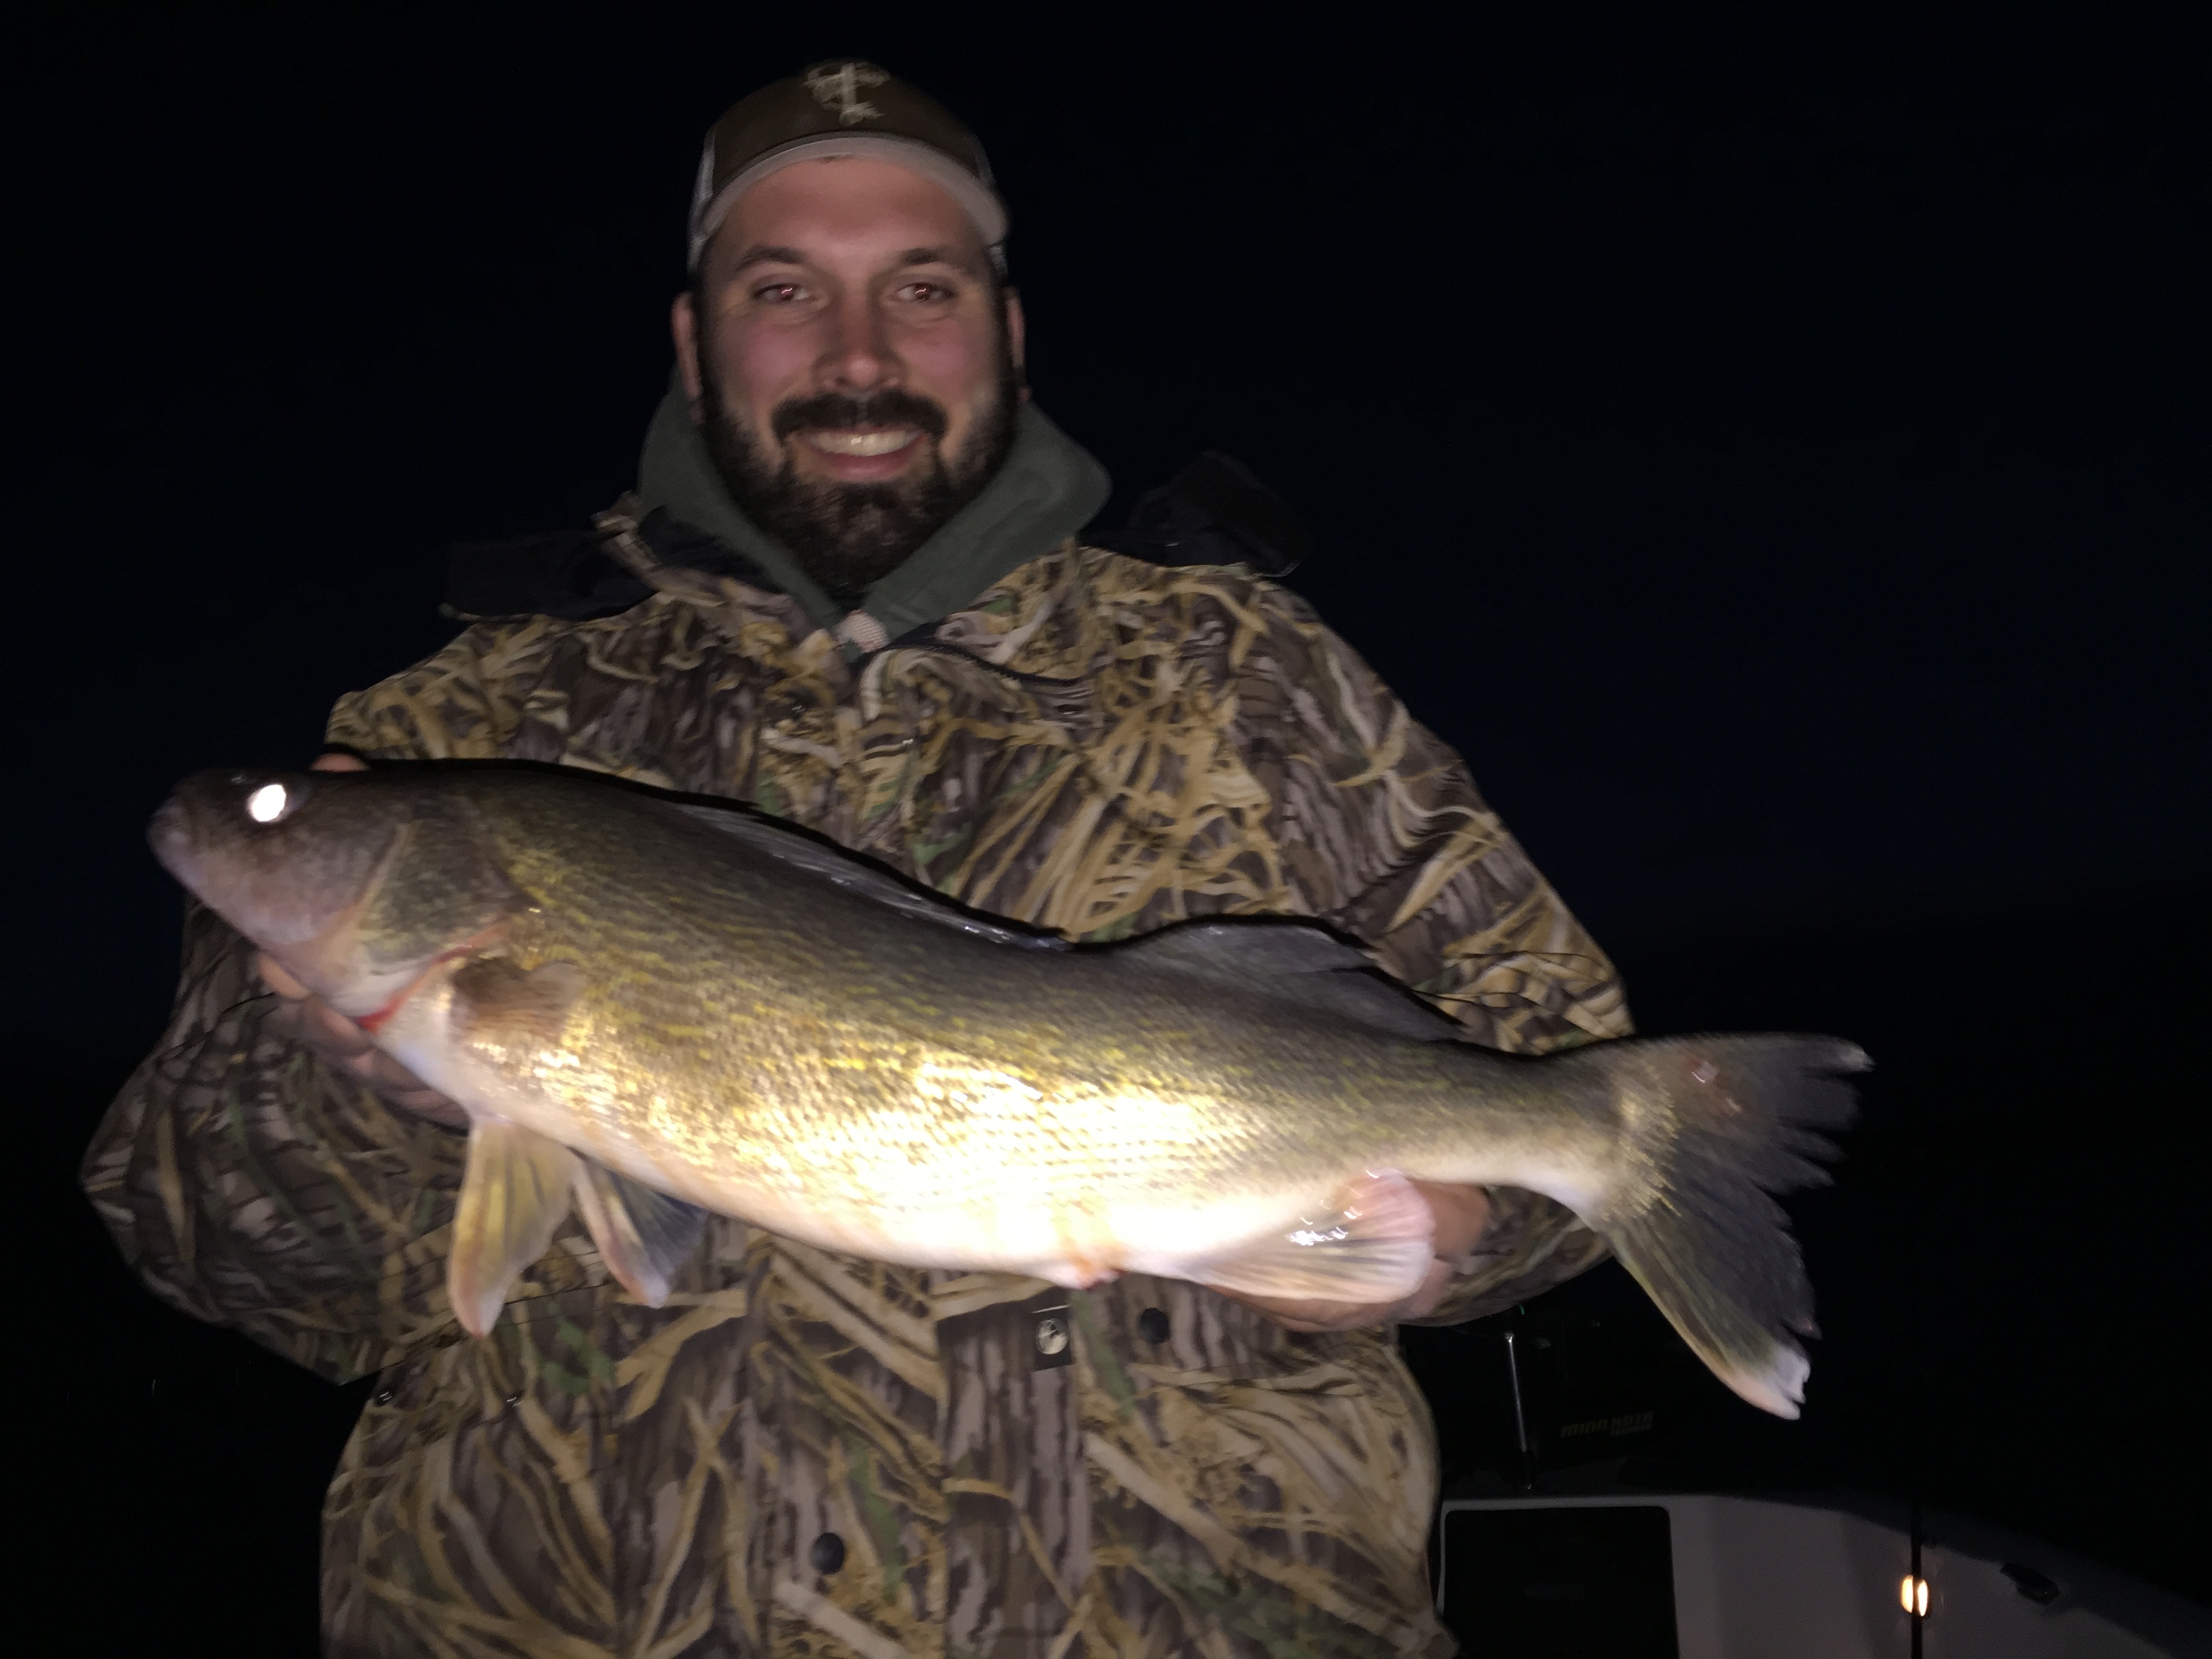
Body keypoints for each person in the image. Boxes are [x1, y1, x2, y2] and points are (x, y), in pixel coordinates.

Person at [86, 62, 1631, 1659]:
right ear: (692, 347)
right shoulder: (458, 725)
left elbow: (1573, 1096)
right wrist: (361, 1089)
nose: (860, 358)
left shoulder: (1249, 679)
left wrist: (1440, 1237)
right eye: (783, 291)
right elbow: (217, 1252)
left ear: (1009, 334)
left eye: (922, 288)